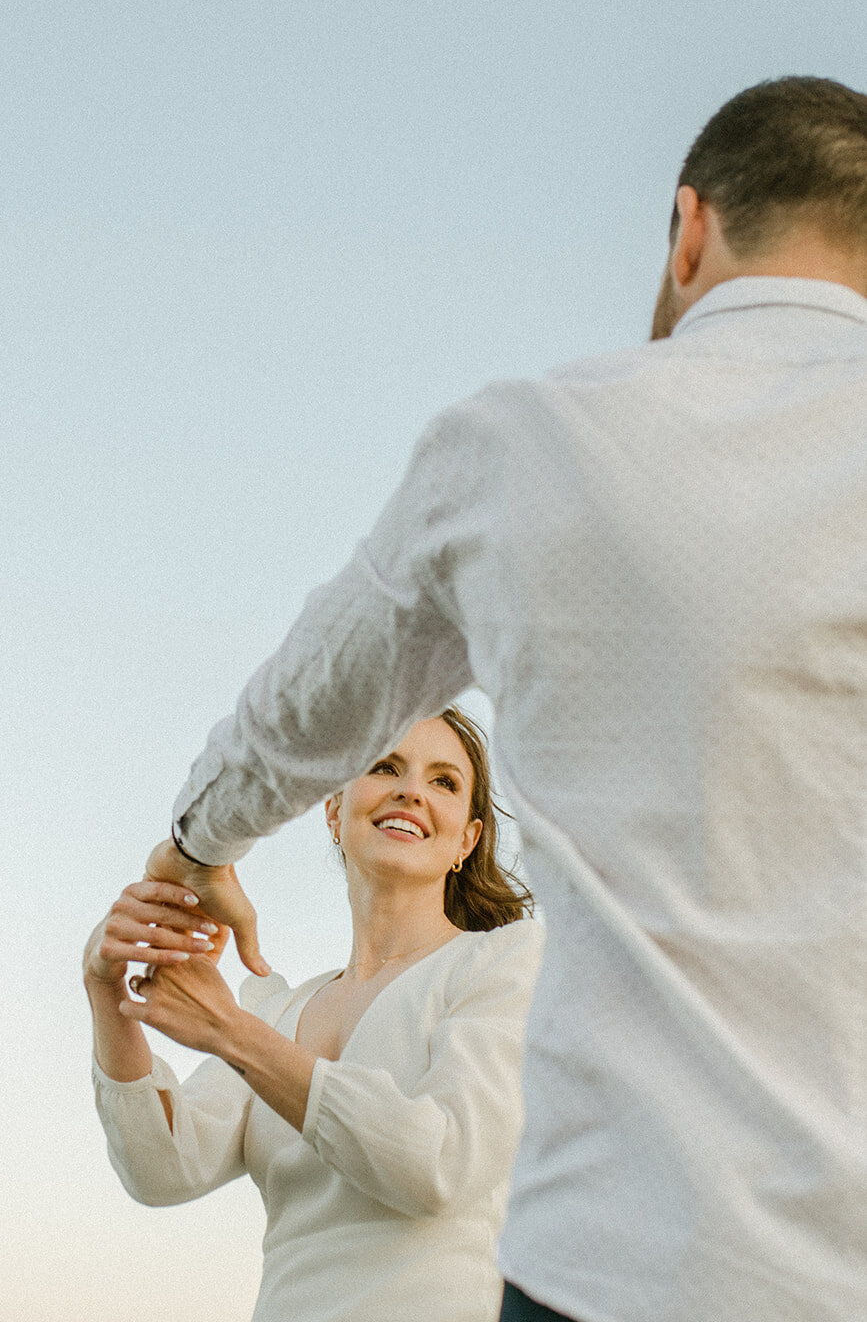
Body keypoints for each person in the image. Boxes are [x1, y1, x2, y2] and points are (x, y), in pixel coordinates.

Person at [141, 76, 867, 1322]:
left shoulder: (529, 442)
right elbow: (166, 1157)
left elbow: (309, 702)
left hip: (621, 1264)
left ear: (687, 231)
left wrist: (194, 840)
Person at [85, 708, 544, 1322]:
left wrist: (231, 1032)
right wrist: (108, 991)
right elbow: (162, 1169)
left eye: (444, 782)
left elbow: (442, 1163)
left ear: (467, 839)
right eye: (385, 767)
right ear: (334, 809)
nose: (411, 790)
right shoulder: (280, 1010)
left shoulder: (503, 962)